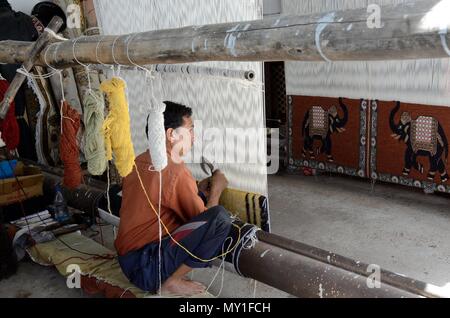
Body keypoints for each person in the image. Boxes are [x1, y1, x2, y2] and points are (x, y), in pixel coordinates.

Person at [115, 101, 232, 296]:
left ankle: (166, 275)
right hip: (148, 268)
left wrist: (196, 189)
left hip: (129, 261)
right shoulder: (174, 170)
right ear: (171, 135)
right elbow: (204, 221)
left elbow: (162, 198)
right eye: (190, 130)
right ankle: (171, 281)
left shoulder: (138, 161)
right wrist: (217, 190)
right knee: (220, 219)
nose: (193, 138)